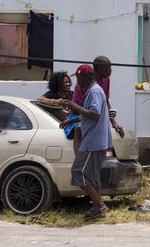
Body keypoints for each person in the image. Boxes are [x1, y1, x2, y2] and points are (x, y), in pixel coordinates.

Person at [62, 64, 111, 220]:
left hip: (93, 142)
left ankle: (100, 206)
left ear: (87, 77)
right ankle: (98, 207)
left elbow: (95, 114)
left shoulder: (94, 91)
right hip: (95, 141)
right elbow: (92, 113)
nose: (77, 82)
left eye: (79, 78)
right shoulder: (92, 90)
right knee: (91, 176)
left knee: (78, 172)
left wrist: (75, 107)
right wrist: (73, 120)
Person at [71, 55, 125, 137]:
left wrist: (114, 122)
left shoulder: (106, 80)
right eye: (108, 67)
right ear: (99, 68)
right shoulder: (81, 85)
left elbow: (105, 101)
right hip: (82, 118)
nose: (111, 70)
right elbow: (75, 108)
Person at [38, 71, 82, 154]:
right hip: (60, 124)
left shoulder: (73, 94)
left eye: (69, 82)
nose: (69, 84)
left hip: (72, 119)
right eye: (66, 82)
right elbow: (40, 100)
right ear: (58, 84)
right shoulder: (52, 94)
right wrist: (56, 101)